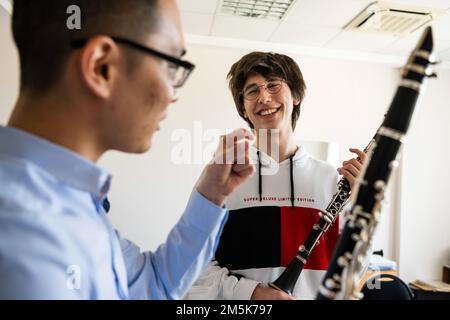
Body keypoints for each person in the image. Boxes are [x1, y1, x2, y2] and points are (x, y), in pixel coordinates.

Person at [0, 0, 255, 299]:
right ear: (101, 67)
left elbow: (154, 283)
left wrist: (213, 193)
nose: (173, 95)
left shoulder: (78, 203)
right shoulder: (25, 238)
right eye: (171, 66)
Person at [185, 52, 366, 300]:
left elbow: (352, 271)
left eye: (273, 85)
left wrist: (363, 208)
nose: (264, 97)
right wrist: (252, 293)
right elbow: (193, 265)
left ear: (296, 96)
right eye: (252, 90)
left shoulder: (331, 181)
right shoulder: (221, 179)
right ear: (244, 109)